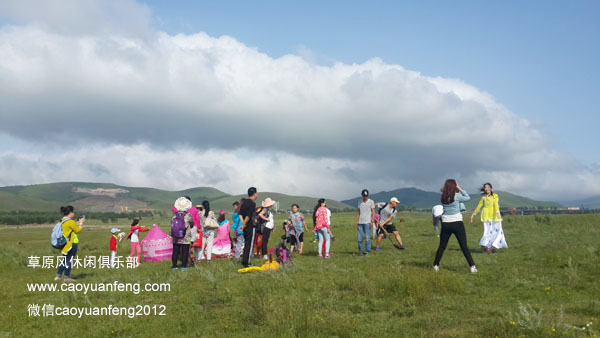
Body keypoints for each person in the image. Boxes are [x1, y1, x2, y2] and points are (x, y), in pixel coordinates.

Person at [433, 179, 477, 273]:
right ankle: (472, 266)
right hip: (457, 223)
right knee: (464, 246)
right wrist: (459, 188)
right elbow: (468, 197)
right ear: (454, 186)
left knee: (442, 246)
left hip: (445, 224)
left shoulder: (443, 197)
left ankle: (436, 265)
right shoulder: (457, 196)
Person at [471, 182, 507, 253]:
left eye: (488, 187)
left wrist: (498, 215)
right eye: (485, 187)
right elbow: (479, 206)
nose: (486, 188)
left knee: (497, 232)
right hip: (486, 216)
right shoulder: (483, 198)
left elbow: (496, 205)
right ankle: (487, 246)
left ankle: (495, 246)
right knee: (487, 232)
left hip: (495, 217)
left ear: (491, 188)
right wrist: (473, 214)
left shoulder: (495, 196)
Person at [55, 205, 85, 282]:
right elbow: (77, 230)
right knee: (69, 259)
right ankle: (67, 277)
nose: (74, 213)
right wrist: (81, 223)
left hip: (64, 243)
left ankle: (58, 276)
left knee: (65, 259)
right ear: (70, 212)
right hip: (71, 243)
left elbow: (70, 229)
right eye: (74, 212)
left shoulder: (62, 220)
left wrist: (76, 223)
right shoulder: (70, 221)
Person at [171, 197, 194, 271]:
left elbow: (171, 223)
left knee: (175, 251)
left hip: (175, 236)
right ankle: (183, 267)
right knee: (185, 251)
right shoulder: (188, 215)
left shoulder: (174, 215)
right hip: (185, 236)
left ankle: (174, 266)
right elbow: (192, 224)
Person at [240, 187, 258, 267]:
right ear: (254, 194)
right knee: (250, 244)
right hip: (251, 225)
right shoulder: (252, 203)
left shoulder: (244, 202)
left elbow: (240, 214)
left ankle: (244, 260)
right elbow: (248, 215)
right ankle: (247, 262)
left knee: (246, 243)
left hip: (246, 226)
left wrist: (243, 223)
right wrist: (244, 223)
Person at [356, 189, 375, 255]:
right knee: (359, 238)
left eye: (366, 196)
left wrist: (372, 221)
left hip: (367, 222)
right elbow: (358, 212)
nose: (365, 197)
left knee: (367, 238)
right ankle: (361, 251)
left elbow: (373, 211)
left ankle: (367, 251)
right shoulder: (359, 201)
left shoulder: (371, 201)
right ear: (362, 195)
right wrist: (357, 221)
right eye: (364, 196)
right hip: (360, 222)